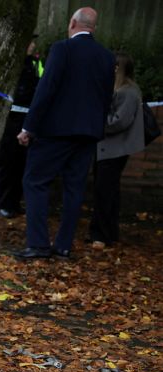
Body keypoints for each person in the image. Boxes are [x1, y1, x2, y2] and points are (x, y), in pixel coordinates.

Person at [14, 7, 115, 259]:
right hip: (88, 133)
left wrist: (29, 127)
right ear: (93, 27)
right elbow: (106, 98)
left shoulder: (62, 49)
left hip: (55, 131)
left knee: (35, 181)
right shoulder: (106, 56)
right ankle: (63, 246)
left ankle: (38, 244)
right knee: (75, 188)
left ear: (72, 23)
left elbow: (47, 89)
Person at [88, 53, 144, 248]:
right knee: (109, 191)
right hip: (109, 148)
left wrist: (97, 123)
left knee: (105, 191)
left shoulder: (128, 92)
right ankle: (108, 232)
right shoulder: (123, 90)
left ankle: (101, 234)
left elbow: (120, 121)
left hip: (113, 149)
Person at [0, 37, 44, 219]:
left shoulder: (34, 63)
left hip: (27, 118)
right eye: (30, 42)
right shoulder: (12, 64)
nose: (33, 45)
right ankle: (2, 203)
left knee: (21, 164)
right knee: (8, 162)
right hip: (12, 118)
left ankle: (14, 203)